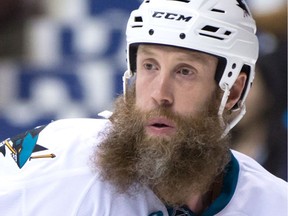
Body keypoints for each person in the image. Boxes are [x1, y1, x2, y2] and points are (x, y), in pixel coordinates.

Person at [0, 0, 287, 215]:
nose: (159, 94)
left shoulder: (274, 203)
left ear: (234, 90)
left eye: (185, 71)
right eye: (149, 66)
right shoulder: (54, 156)